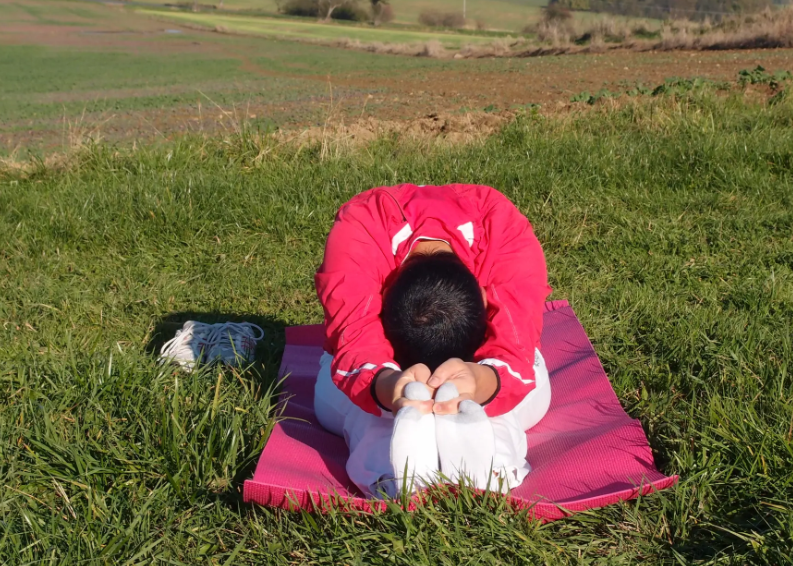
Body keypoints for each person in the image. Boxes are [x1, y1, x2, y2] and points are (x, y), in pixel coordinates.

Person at [314, 183, 552, 498]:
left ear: (382, 298)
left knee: (362, 407)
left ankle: (390, 468)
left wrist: (479, 378)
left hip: (462, 364)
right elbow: (518, 350)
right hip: (404, 366)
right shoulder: (364, 227)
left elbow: (353, 344)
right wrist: (393, 385)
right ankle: (494, 462)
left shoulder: (498, 224)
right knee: (514, 393)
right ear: (484, 299)